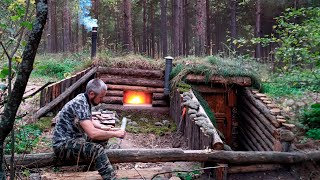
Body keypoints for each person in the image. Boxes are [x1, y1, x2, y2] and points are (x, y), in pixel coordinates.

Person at [52, 78, 126, 180]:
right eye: (100, 97)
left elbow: (88, 119)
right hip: (62, 146)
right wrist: (116, 134)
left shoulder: (84, 100)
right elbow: (93, 134)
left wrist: (105, 128)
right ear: (92, 94)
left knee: (103, 138)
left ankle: (91, 168)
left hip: (75, 140)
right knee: (97, 149)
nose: (101, 100)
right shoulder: (80, 102)